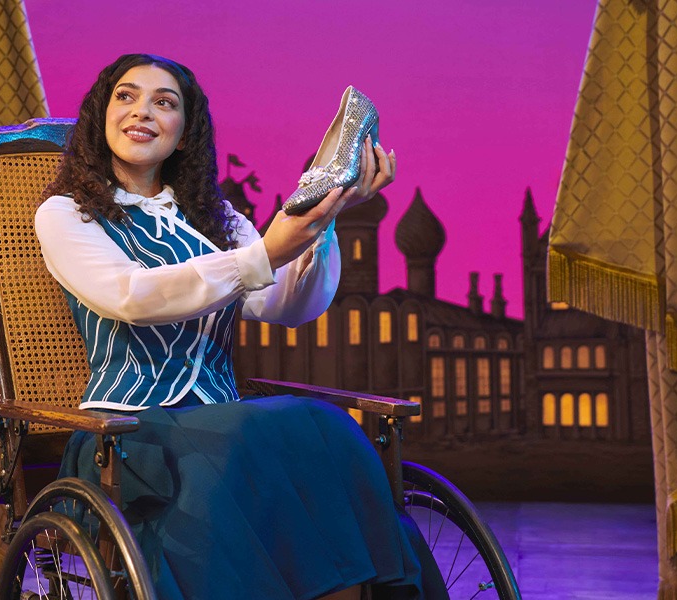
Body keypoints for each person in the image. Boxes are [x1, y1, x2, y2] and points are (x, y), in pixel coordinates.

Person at [35, 53, 445, 599]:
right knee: (251, 437)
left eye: (165, 102)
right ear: (102, 116)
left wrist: (322, 220)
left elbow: (287, 306)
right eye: (126, 97)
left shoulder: (215, 218)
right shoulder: (69, 214)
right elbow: (129, 297)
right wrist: (261, 255)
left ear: (184, 134)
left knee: (325, 427)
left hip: (221, 423)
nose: (143, 112)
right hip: (128, 435)